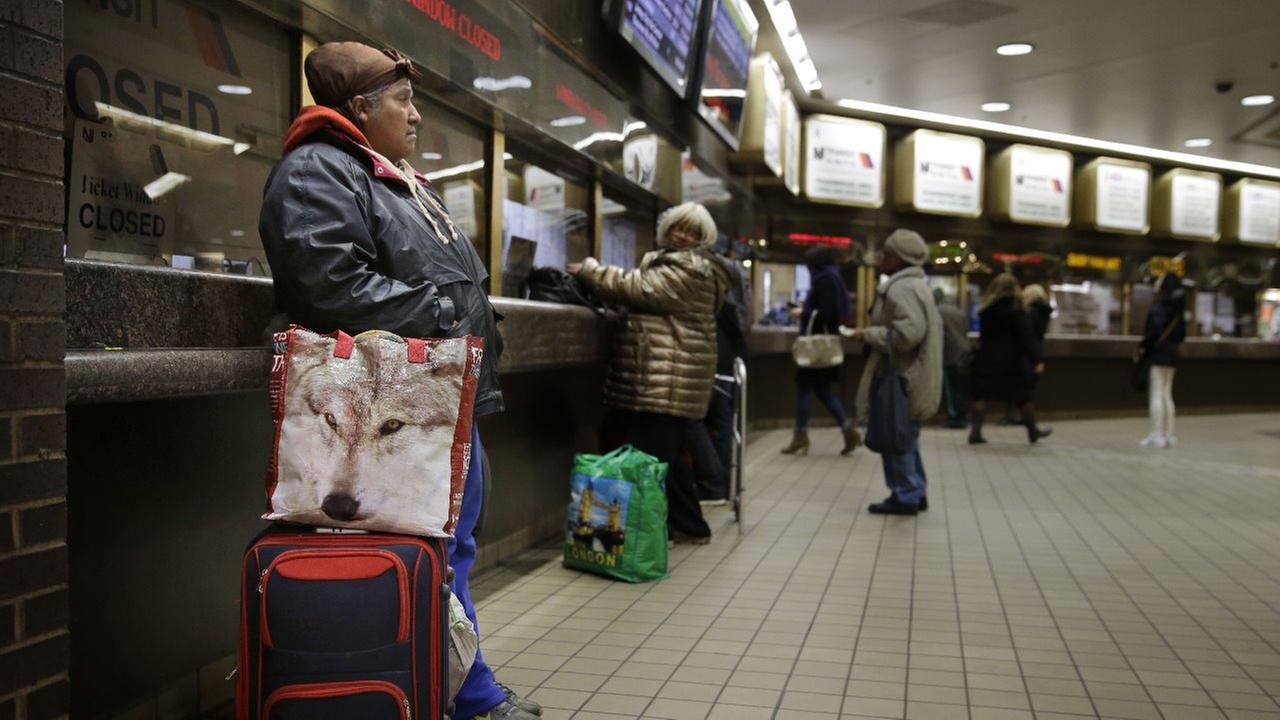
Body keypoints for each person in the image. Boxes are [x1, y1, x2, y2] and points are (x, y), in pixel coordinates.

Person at [258, 42, 539, 720]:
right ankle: (466, 700)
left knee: (451, 550)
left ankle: (458, 692)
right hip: (383, 416)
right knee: (433, 555)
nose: (416, 116)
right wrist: (447, 314)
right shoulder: (317, 170)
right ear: (359, 106)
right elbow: (330, 285)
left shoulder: (390, 176)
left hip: (434, 403)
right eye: (403, 101)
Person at [569, 202, 734, 544]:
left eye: (691, 231)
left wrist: (589, 269)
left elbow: (641, 288)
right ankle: (684, 526)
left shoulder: (693, 269)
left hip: (667, 380)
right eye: (677, 227)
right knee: (663, 458)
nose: (682, 235)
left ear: (702, 239)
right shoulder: (680, 264)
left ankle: (670, 528)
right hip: (660, 378)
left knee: (656, 457)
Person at [846, 229, 942, 516]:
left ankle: (904, 495)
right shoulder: (917, 285)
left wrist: (868, 334)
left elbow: (907, 333)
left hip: (901, 377)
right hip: (912, 375)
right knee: (907, 437)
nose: (881, 258)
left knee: (895, 435)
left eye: (887, 254)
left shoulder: (900, 288)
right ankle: (916, 490)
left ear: (899, 258)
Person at [781, 246, 860, 456]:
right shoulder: (834, 277)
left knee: (805, 389)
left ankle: (801, 436)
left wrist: (802, 312)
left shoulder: (824, 279)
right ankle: (847, 430)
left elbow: (825, 312)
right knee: (823, 391)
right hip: (824, 346)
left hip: (814, 347)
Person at [968, 274, 1051, 446]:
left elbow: (984, 336)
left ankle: (975, 432)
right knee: (1023, 397)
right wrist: (1038, 358)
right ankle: (1032, 431)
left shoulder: (986, 310)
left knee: (980, 395)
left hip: (987, 358)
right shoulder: (1017, 311)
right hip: (1011, 360)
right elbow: (1026, 338)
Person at [694, 249, 749, 506]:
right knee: (722, 425)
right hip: (729, 363)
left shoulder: (708, 288)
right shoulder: (733, 284)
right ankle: (723, 485)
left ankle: (713, 484)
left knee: (697, 424)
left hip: (711, 362)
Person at [1139, 273, 1187, 448]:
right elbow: (1182, 335)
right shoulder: (1178, 310)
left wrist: (1144, 345)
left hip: (1158, 354)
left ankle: (1156, 434)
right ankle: (1169, 434)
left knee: (1157, 394)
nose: (1156, 282)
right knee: (1167, 394)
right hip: (1173, 354)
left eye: (1159, 280)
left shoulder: (1159, 306)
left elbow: (1153, 333)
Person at [934, 289, 972, 429]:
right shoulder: (958, 311)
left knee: (951, 389)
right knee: (962, 387)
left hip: (949, 355)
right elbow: (966, 329)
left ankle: (955, 417)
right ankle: (963, 416)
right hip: (965, 352)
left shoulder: (936, 311)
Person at [1023, 284, 1053, 399]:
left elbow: (1029, 336)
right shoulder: (1043, 312)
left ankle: (1017, 414)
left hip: (1029, 355)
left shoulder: (1030, 313)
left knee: (1021, 389)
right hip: (1037, 353)